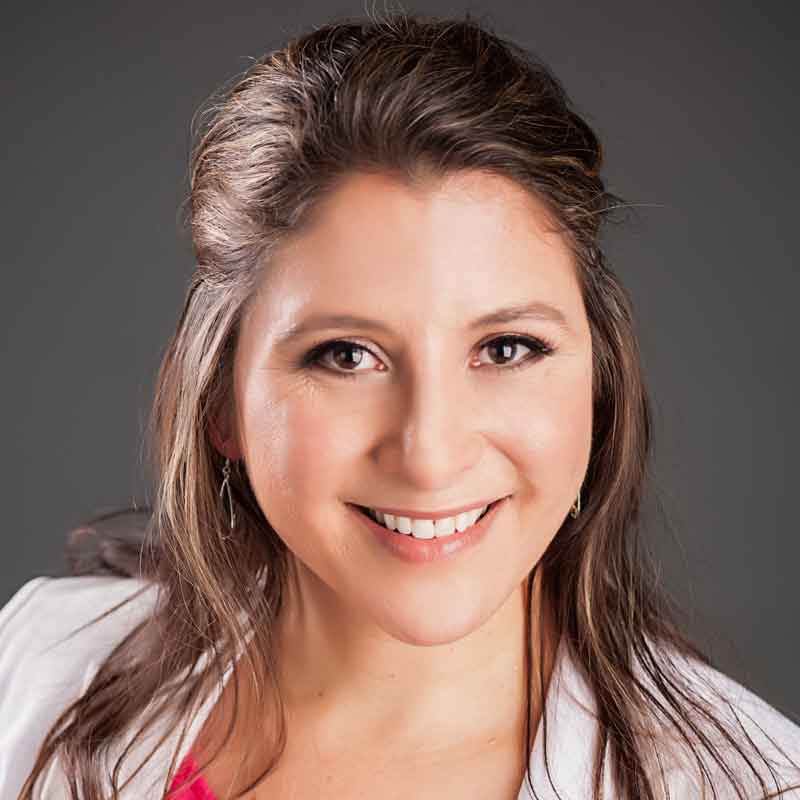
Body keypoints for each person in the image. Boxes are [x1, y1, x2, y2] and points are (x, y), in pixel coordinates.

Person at [1, 10, 798, 800]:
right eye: (346, 356)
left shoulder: (754, 785)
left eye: (507, 348)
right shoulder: (38, 668)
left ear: (598, 385)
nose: (430, 452)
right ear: (223, 402)